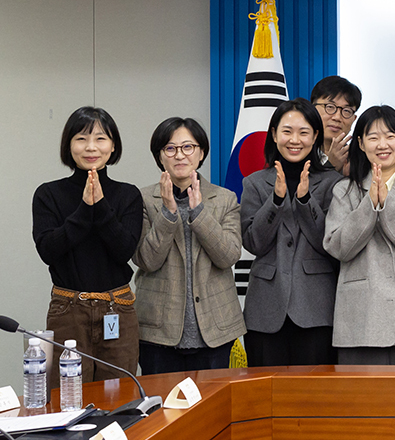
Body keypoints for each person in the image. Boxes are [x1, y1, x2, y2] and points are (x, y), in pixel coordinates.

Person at [33, 107, 143, 388]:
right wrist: (84, 209)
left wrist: (101, 206)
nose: (91, 147)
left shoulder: (128, 194)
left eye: (100, 138)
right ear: (68, 145)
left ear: (113, 145)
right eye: (81, 139)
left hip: (117, 308)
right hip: (68, 309)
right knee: (67, 395)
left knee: (119, 395)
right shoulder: (48, 194)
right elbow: (48, 250)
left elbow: (124, 250)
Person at [324, 106, 395, 365]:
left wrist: (388, 204)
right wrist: (369, 205)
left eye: (390, 136)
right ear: (361, 144)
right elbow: (338, 247)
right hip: (358, 318)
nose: (382, 144)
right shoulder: (344, 190)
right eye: (373, 137)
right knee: (357, 393)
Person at [133, 117, 245, 374]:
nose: (179, 155)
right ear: (160, 156)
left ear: (201, 152)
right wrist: (168, 213)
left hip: (215, 329)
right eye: (170, 148)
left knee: (214, 401)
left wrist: (199, 213)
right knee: (162, 400)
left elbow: (228, 255)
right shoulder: (142, 199)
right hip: (157, 331)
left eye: (188, 147)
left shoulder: (225, 198)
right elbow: (147, 260)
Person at [240, 99, 341, 366]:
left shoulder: (334, 183)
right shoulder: (253, 183)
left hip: (316, 308)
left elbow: (330, 244)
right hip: (265, 308)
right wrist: (275, 200)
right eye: (287, 131)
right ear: (274, 134)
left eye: (303, 132)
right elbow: (253, 243)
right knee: (265, 388)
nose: (294, 140)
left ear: (315, 136)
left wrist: (306, 200)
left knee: (314, 389)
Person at [310, 76, 362, 176]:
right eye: (330, 107)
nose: (337, 117)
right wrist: (331, 166)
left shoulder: (359, 160)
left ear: (354, 119)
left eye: (346, 111)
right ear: (313, 109)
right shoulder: (297, 152)